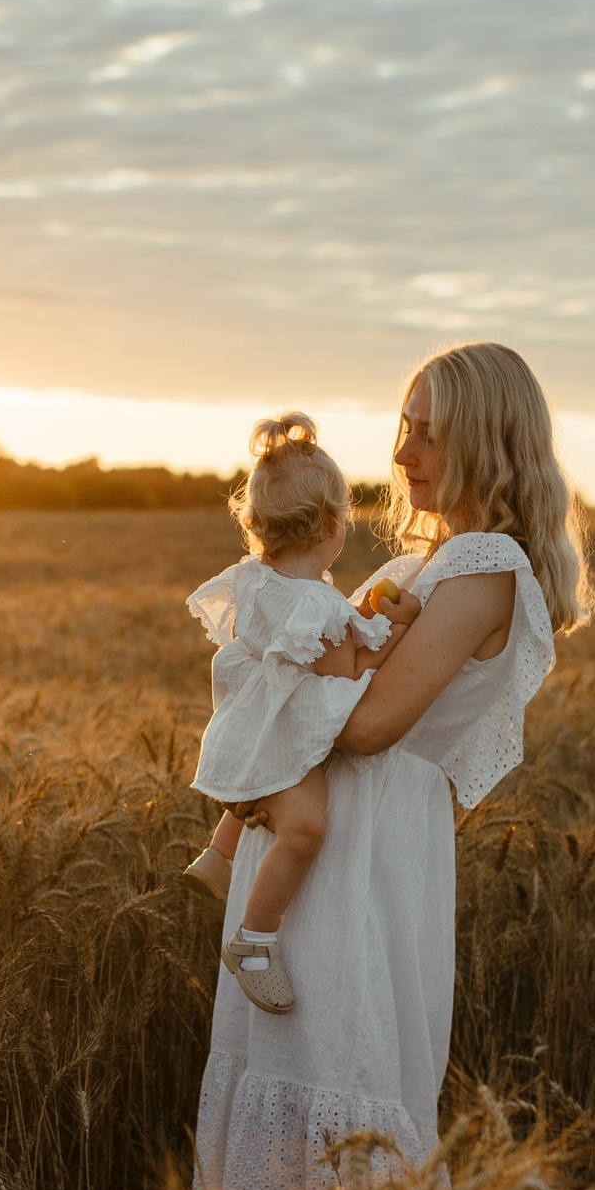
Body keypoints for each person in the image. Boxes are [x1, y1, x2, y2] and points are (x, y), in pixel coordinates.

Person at [192, 341, 595, 1190]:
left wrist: (278, 706)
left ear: (488, 440)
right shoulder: (431, 560)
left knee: (345, 1055)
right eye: (403, 429)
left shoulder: (485, 563)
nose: (403, 453)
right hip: (317, 835)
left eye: (428, 433)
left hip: (359, 851)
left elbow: (372, 726)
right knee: (295, 1054)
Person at [182, 412, 424, 1014]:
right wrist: (392, 634)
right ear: (332, 526)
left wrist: (357, 618)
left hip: (253, 722)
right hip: (287, 733)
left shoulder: (253, 581)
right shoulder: (320, 606)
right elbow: (344, 689)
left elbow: (299, 652)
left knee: (257, 782)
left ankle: (221, 852)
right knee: (306, 827)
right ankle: (254, 940)